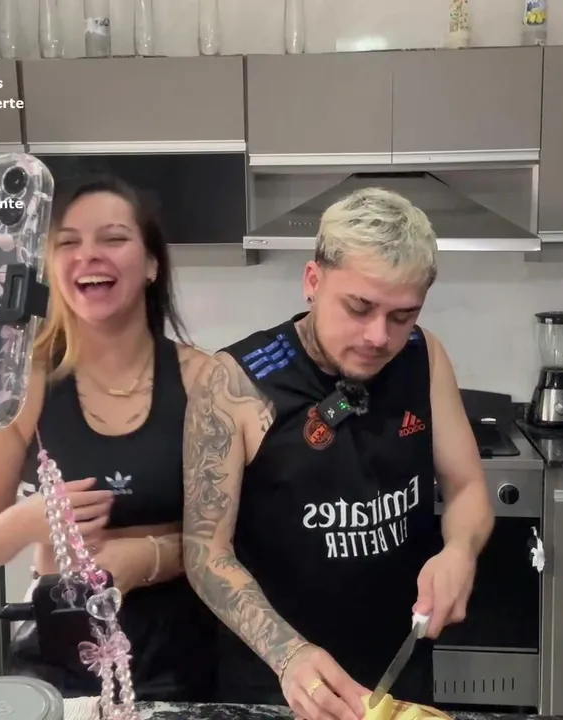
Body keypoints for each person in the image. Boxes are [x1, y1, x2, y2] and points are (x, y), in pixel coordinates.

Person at [182, 187, 496, 720]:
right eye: (359, 307)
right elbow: (205, 555)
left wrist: (460, 549)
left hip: (399, 673)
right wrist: (289, 655)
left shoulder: (423, 356)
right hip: (280, 683)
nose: (379, 337)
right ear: (313, 281)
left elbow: (466, 487)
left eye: (402, 315)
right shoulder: (236, 384)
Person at [0, 174, 215, 700]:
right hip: (63, 646)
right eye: (68, 242)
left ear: (152, 264)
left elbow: (240, 536)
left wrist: (148, 555)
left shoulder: (205, 380)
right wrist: (26, 521)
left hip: (190, 644)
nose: (88, 255)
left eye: (113, 238)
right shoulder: (20, 382)